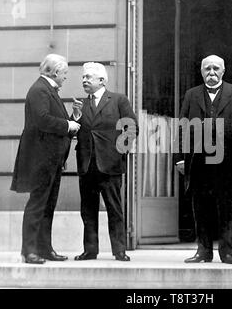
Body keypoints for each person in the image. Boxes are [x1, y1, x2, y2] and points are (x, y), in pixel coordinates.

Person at [176, 55, 232, 264]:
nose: (211, 73)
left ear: (223, 71)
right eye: (207, 69)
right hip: (198, 161)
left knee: (225, 206)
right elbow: (182, 125)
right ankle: (203, 251)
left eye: (216, 69)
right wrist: (180, 158)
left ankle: (227, 252)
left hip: (227, 160)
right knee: (200, 206)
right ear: (201, 72)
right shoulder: (191, 94)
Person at [11, 54, 81, 264]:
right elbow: (43, 120)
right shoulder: (40, 90)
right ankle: (30, 251)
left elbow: (50, 122)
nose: (66, 77)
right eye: (65, 73)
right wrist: (68, 125)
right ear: (56, 72)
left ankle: (43, 249)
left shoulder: (45, 90)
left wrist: (73, 117)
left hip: (50, 159)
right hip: (41, 159)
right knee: (38, 204)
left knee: (46, 205)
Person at [72, 62, 137, 261]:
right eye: (83, 77)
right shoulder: (80, 104)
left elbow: (132, 128)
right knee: (88, 211)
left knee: (114, 209)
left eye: (88, 77)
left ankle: (119, 251)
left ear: (101, 80)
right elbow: (73, 130)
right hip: (87, 166)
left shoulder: (118, 100)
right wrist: (75, 116)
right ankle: (90, 250)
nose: (84, 80)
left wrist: (120, 154)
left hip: (110, 166)